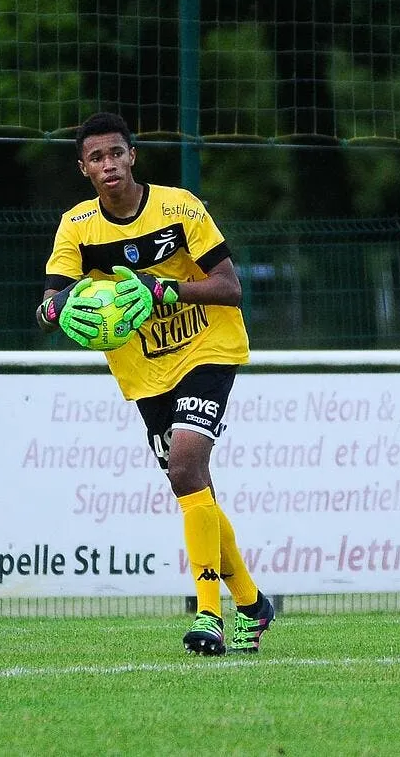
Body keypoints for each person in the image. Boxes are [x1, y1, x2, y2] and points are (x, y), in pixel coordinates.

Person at [35, 112, 274, 655]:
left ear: (132, 156)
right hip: (143, 370)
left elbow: (230, 288)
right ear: (84, 168)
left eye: (116, 153)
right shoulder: (77, 227)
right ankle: (253, 604)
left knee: (188, 465)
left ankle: (209, 616)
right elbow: (50, 298)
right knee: (193, 487)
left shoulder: (180, 207)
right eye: (96, 158)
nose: (108, 164)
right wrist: (58, 312)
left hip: (207, 348)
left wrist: (163, 291)